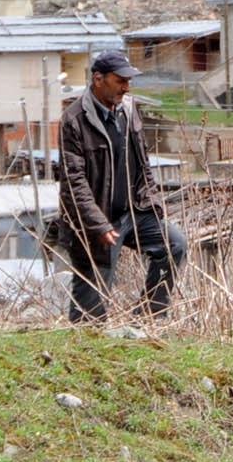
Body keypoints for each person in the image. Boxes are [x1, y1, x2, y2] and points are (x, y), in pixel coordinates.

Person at [53, 51, 186, 321]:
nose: (126, 87)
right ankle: (83, 349)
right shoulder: (75, 119)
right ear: (98, 79)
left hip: (134, 211)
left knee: (174, 245)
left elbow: (143, 163)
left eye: (128, 81)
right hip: (96, 222)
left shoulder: (128, 110)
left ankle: (148, 319)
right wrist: (98, 225)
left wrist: (153, 201)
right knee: (90, 312)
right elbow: (73, 182)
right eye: (120, 80)